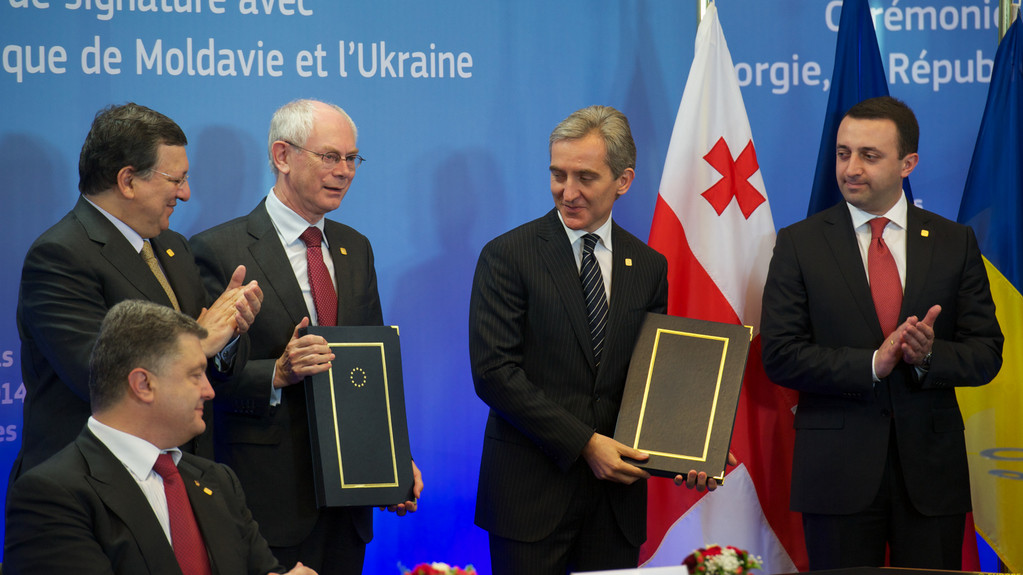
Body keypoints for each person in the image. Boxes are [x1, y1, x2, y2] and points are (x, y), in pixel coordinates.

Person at [469, 105, 723, 575]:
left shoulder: (648, 266)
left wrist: (694, 442)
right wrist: (585, 443)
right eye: (558, 175)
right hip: (530, 500)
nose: (568, 192)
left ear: (623, 180)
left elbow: (652, 376)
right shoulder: (508, 256)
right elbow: (494, 374)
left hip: (614, 507)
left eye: (585, 177)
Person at [761, 96, 1003, 569]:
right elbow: (781, 354)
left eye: (869, 155)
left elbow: (986, 353)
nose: (851, 168)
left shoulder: (954, 242)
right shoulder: (799, 243)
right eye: (843, 153)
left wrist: (928, 356)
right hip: (836, 476)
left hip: (931, 476)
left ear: (907, 164)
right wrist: (873, 364)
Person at [190, 99, 422, 575]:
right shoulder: (219, 251)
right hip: (269, 504)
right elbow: (200, 376)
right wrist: (276, 373)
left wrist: (392, 458)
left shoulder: (356, 248)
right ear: (282, 156)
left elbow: (371, 369)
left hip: (349, 500)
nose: (345, 171)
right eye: (330, 156)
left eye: (352, 158)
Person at [13, 103, 262, 482]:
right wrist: (199, 341)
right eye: (176, 180)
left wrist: (229, 333)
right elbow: (96, 375)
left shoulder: (174, 247)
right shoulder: (60, 255)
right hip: (95, 485)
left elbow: (213, 365)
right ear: (128, 180)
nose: (186, 193)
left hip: (180, 474)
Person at [4, 300, 315, 575]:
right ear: (143, 385)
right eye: (195, 375)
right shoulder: (51, 496)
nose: (209, 391)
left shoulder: (217, 481)